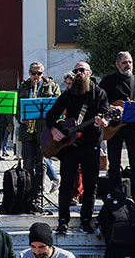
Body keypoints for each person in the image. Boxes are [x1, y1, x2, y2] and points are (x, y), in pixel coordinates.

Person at [45, 62, 109, 234]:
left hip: (91, 146)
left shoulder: (99, 94)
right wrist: (54, 130)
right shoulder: (69, 93)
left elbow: (105, 117)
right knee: (66, 184)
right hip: (70, 147)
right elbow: (50, 115)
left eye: (82, 70)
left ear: (90, 72)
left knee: (90, 185)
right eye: (76, 71)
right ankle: (63, 221)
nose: (78, 73)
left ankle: (86, 220)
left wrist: (103, 122)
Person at [100, 51, 135, 209]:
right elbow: (100, 102)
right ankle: (116, 196)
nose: (128, 65)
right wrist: (112, 108)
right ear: (117, 64)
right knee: (114, 164)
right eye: (124, 62)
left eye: (130, 62)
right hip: (113, 129)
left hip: (133, 128)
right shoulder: (108, 81)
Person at [16, 61, 61, 209]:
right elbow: (16, 107)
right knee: (28, 164)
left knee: (41, 165)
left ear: (43, 73)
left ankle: (38, 195)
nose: (36, 76)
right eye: (33, 73)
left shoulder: (52, 86)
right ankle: (27, 195)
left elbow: (58, 106)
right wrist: (21, 117)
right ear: (29, 73)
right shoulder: (23, 86)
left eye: (39, 73)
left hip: (44, 131)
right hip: (27, 132)